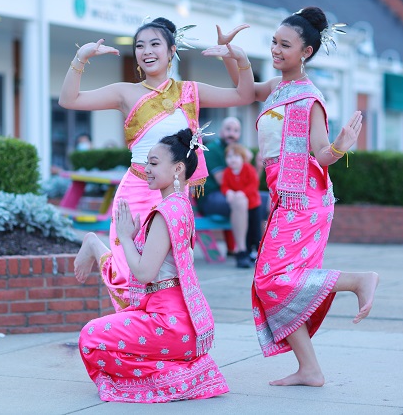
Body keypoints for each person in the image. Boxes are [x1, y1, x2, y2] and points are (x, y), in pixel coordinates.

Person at [219, 7, 379, 386]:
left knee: (272, 280)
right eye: (274, 42)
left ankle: (357, 280)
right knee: (273, 281)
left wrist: (341, 146)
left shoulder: (309, 98)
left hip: (305, 200)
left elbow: (321, 154)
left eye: (285, 45)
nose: (276, 50)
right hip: (284, 198)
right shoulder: (277, 88)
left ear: (305, 52)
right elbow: (244, 92)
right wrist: (232, 54)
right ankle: (310, 369)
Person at [60, 17, 255, 311]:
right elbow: (69, 99)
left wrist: (238, 58)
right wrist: (80, 58)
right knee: (129, 276)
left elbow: (245, 95)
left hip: (175, 195)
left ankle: (159, 341)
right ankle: (94, 246)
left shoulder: (190, 91)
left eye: (154, 44)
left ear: (171, 50)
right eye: (140, 46)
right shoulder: (125, 92)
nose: (147, 51)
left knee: (168, 275)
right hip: (137, 190)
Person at [73, 128, 229, 402]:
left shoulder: (165, 212)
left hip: (167, 323)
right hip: (181, 324)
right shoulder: (181, 206)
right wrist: (132, 239)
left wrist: (124, 237)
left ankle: (183, 375)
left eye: (154, 163)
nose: (146, 169)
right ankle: (186, 369)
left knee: (89, 338)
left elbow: (144, 273)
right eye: (147, 162)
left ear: (178, 168)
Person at [196, 117, 261, 268]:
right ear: (221, 131)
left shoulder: (237, 151)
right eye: (228, 129)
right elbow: (223, 181)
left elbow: (249, 181)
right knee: (241, 200)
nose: (232, 134)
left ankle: (262, 250)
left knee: (268, 200)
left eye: (236, 130)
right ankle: (241, 251)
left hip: (235, 194)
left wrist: (255, 165)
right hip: (211, 197)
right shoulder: (213, 150)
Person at [220, 141, 262, 263]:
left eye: (236, 156)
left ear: (243, 158)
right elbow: (225, 186)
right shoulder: (228, 172)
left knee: (254, 230)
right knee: (245, 229)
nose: (232, 159)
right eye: (229, 156)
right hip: (239, 205)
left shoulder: (248, 169)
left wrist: (242, 192)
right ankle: (245, 250)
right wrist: (228, 192)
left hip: (253, 205)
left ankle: (256, 252)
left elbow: (253, 185)